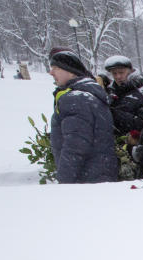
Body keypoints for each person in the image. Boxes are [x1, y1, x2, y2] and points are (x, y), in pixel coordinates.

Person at [47, 49, 117, 183]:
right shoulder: (87, 94)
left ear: (70, 71)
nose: (51, 72)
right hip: (96, 173)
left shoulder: (76, 98)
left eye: (55, 68)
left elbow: (75, 145)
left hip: (84, 178)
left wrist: (64, 180)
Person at [103, 55, 143, 137]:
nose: (118, 77)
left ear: (130, 71)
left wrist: (114, 113)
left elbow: (142, 124)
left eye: (121, 72)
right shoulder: (110, 91)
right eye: (114, 73)